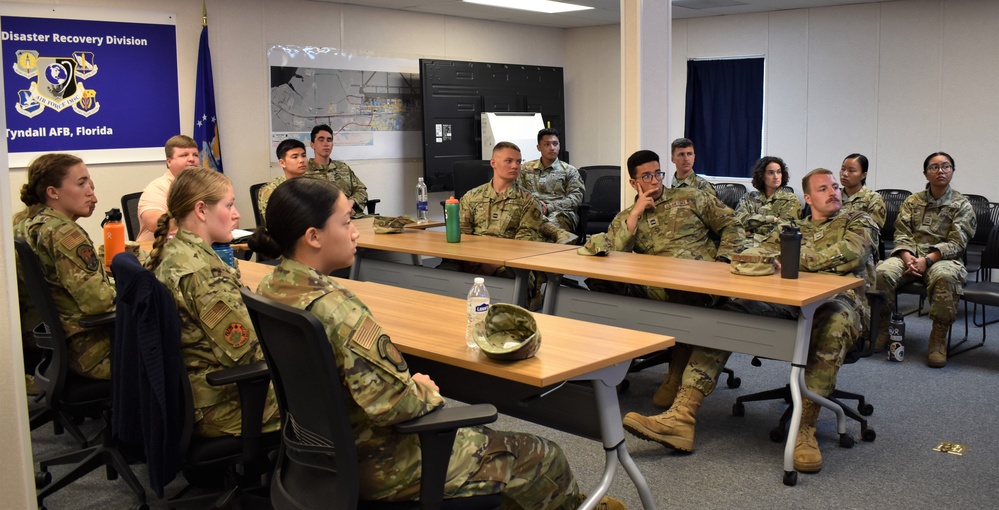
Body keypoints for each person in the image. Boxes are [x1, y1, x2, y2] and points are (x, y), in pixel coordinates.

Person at [250, 177, 624, 509]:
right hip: (383, 462)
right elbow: (394, 406)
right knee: (544, 455)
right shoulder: (338, 310)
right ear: (313, 237)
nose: (355, 232)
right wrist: (422, 389)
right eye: (346, 222)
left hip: (319, 455)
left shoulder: (273, 286)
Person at [623, 168, 877, 473]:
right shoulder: (790, 227)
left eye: (835, 187)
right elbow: (756, 254)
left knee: (833, 323)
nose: (834, 192)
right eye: (823, 189)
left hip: (840, 302)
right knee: (726, 316)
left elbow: (850, 253)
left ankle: (805, 428)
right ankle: (681, 416)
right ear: (808, 198)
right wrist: (777, 260)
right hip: (788, 302)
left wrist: (791, 260)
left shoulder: (857, 220)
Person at [600, 149, 743, 411]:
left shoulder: (691, 197)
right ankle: (614, 365)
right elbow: (614, 255)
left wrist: (723, 262)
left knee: (684, 292)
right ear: (634, 182)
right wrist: (635, 215)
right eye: (647, 176)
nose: (655, 180)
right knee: (600, 286)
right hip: (651, 288)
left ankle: (676, 373)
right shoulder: (626, 216)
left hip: (696, 282)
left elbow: (732, 224)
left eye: (658, 173)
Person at [146, 168, 280, 437]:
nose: (237, 214)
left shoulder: (176, 251)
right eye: (229, 204)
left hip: (197, 394)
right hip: (221, 405)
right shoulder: (201, 274)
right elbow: (249, 354)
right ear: (201, 210)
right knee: (330, 399)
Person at [14, 153, 114, 380]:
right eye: (81, 183)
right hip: (90, 351)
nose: (90, 191)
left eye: (89, 182)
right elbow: (99, 302)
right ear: (53, 192)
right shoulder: (64, 232)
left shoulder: (25, 224)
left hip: (48, 345)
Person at [872, 152, 976, 367]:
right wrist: (907, 256)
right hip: (909, 255)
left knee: (946, 277)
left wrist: (927, 260)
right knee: (882, 272)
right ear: (925, 173)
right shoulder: (912, 201)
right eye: (934, 167)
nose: (940, 171)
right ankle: (883, 327)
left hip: (943, 258)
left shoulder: (962, 204)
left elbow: (958, 242)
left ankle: (938, 339)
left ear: (952, 171)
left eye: (946, 167)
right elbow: (901, 233)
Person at [518, 128, 585, 233]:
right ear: (538, 147)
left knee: (546, 228)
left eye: (555, 144)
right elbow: (517, 191)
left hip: (560, 213)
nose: (552, 148)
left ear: (559, 145)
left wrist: (549, 207)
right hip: (530, 211)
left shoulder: (569, 171)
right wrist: (535, 205)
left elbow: (575, 198)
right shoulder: (526, 168)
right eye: (547, 144)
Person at [136, 135, 200, 241]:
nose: (191, 159)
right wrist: (200, 220)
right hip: (156, 252)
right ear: (169, 162)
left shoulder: (205, 186)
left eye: (195, 155)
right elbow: (155, 223)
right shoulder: (157, 188)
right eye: (184, 155)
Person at [735, 156, 802, 247]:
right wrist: (769, 219)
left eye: (779, 172)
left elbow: (786, 228)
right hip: (743, 242)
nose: (776, 177)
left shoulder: (790, 199)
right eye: (770, 173)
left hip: (771, 244)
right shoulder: (749, 198)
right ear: (762, 176)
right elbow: (738, 222)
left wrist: (751, 230)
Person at [307, 124, 368, 216]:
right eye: (321, 140)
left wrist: (350, 203)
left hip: (352, 218)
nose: (326, 143)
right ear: (312, 145)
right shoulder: (304, 171)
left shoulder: (343, 168)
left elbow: (361, 190)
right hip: (321, 221)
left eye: (329, 140)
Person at [257, 138, 309, 222]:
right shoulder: (271, 190)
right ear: (282, 163)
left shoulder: (312, 185)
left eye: (303, 155)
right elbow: (274, 223)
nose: (301, 160)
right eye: (295, 157)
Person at [839, 153, 887, 232]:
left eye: (851, 170)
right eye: (843, 169)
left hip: (859, 241)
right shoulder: (833, 197)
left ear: (863, 175)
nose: (844, 174)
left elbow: (871, 231)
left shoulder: (873, 199)